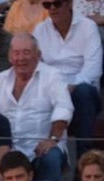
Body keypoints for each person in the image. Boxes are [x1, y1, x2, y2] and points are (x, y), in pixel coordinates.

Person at [0, 33, 73, 181]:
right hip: (9, 154)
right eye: (16, 53)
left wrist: (52, 139)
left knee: (52, 155)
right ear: (10, 56)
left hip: (41, 151)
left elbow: (64, 107)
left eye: (26, 52)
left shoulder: (52, 76)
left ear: (38, 55)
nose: (21, 58)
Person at [32, 0, 102, 150]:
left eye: (56, 4)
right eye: (47, 5)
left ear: (69, 3)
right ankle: (40, 155)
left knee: (84, 92)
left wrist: (68, 87)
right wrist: (56, 89)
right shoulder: (40, 30)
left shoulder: (88, 27)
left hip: (79, 91)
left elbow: (93, 69)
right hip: (52, 90)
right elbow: (36, 66)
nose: (52, 9)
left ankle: (84, 160)